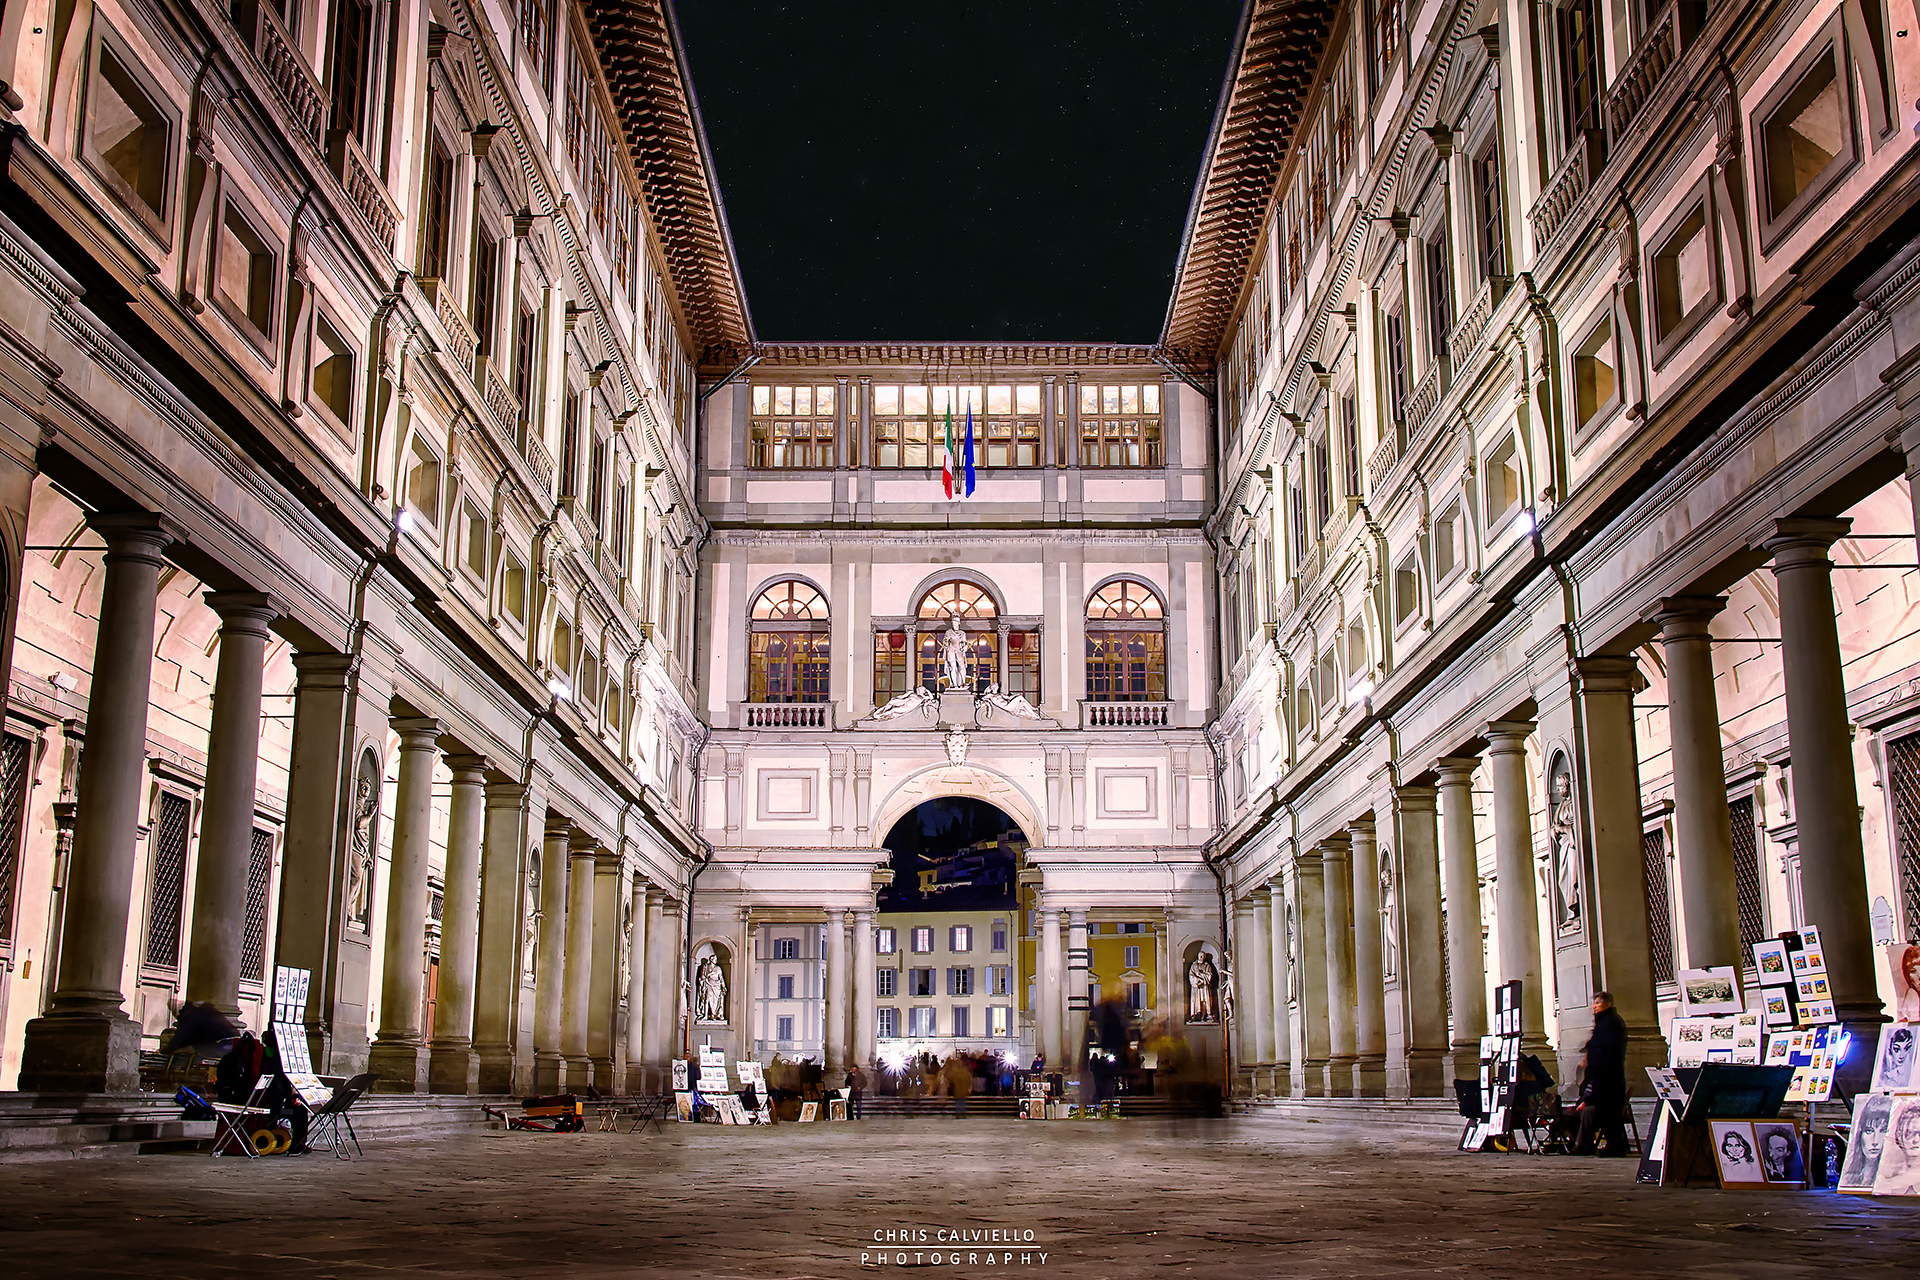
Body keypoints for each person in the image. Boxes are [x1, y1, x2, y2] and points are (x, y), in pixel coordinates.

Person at [1574, 991, 1628, 1156]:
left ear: (1608, 1004)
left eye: (1598, 1003)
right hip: (1605, 1075)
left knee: (1608, 1112)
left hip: (1607, 1076)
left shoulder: (1610, 1023)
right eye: (1594, 1003)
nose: (1594, 1006)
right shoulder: (1605, 1022)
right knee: (1607, 1112)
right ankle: (1611, 1145)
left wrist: (1594, 1062)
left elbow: (1606, 1050)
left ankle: (1615, 1146)